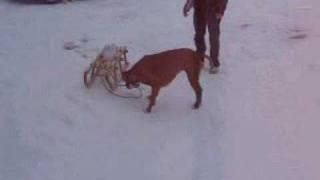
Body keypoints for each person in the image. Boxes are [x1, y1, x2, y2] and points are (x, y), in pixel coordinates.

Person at [183, 0, 228, 73]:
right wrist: (188, 5)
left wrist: (221, 10)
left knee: (214, 36)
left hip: (213, 9)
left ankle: (214, 62)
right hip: (199, 8)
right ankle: (200, 59)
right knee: (199, 34)